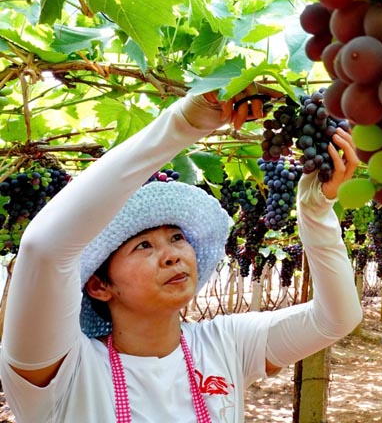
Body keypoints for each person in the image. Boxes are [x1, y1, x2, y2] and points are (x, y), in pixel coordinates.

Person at [0, 87, 363, 422]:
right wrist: (183, 125)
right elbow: (43, 249)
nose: (172, 255)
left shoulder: (226, 344)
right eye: (143, 246)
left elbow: (336, 318)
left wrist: (315, 212)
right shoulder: (66, 373)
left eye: (176, 237)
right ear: (98, 285)